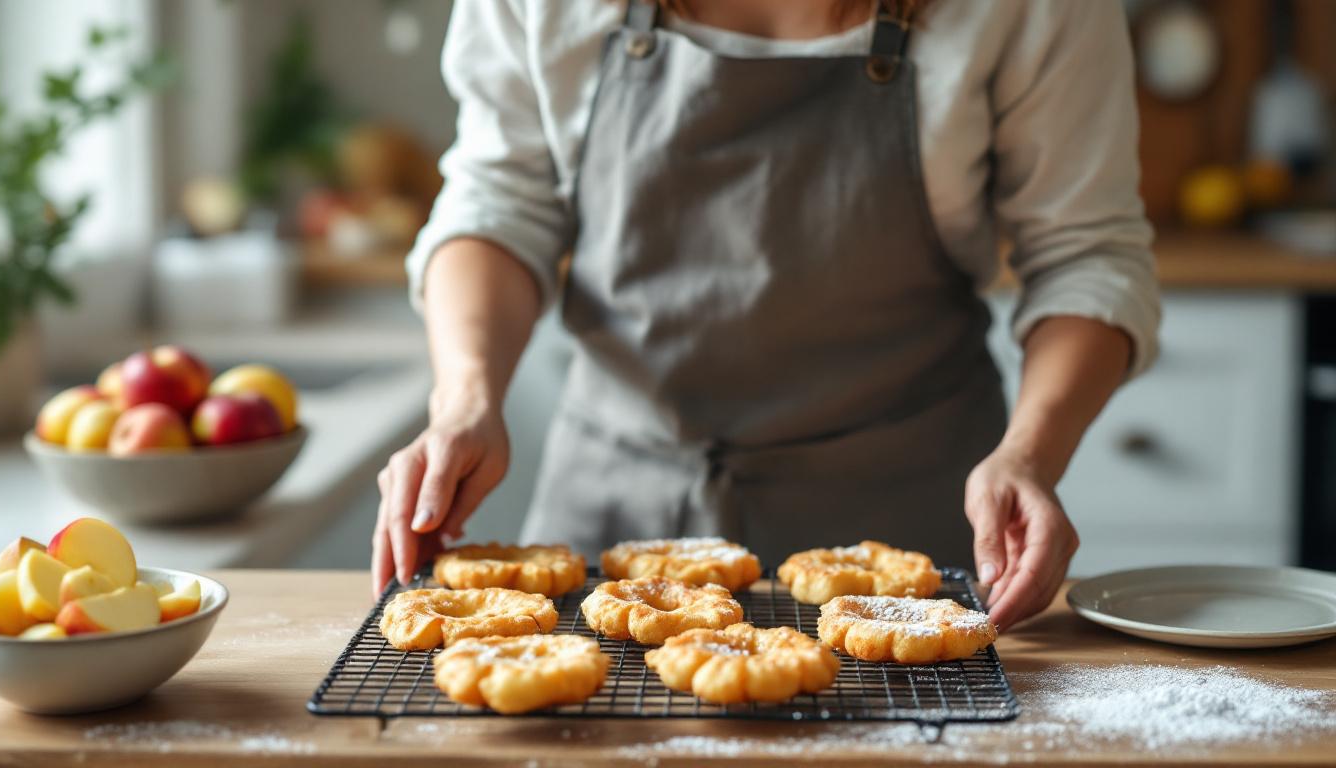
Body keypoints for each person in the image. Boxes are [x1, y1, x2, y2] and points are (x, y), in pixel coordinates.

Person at [373, 0, 1161, 631]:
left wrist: (1030, 453)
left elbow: (1085, 252)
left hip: (910, 511)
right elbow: (499, 203)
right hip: (612, 509)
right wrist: (467, 399)